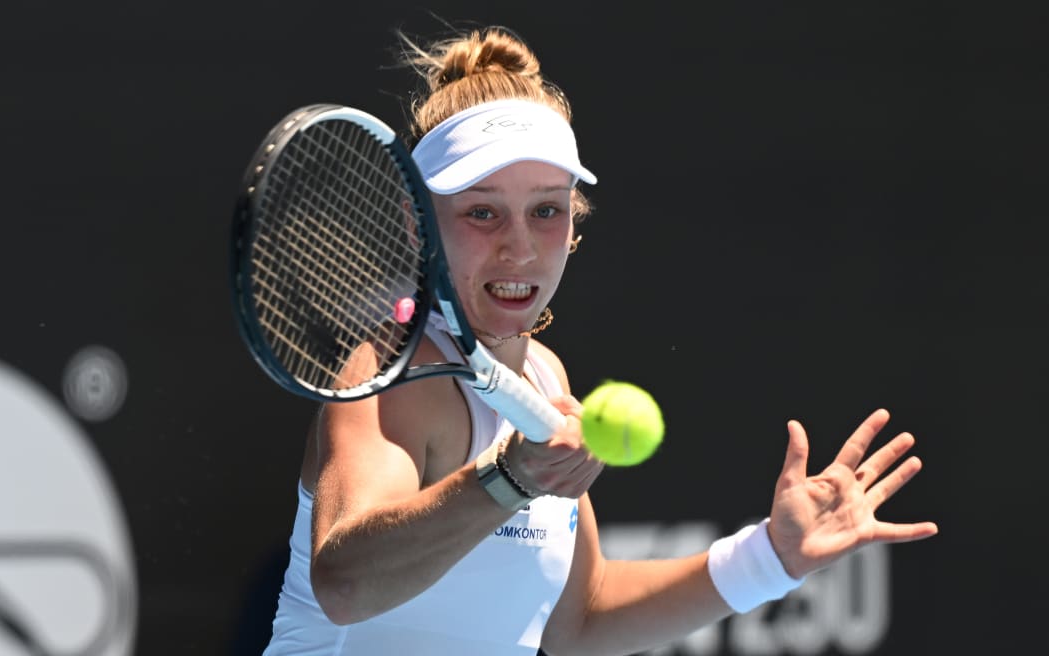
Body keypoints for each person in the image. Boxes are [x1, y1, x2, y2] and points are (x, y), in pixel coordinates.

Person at [260, 25, 938, 656]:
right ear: (419, 226)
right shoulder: (395, 374)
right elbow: (344, 584)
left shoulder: (546, 378)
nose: (519, 249)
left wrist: (770, 559)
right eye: (482, 212)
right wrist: (508, 479)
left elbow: (579, 618)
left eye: (546, 211)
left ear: (574, 226)